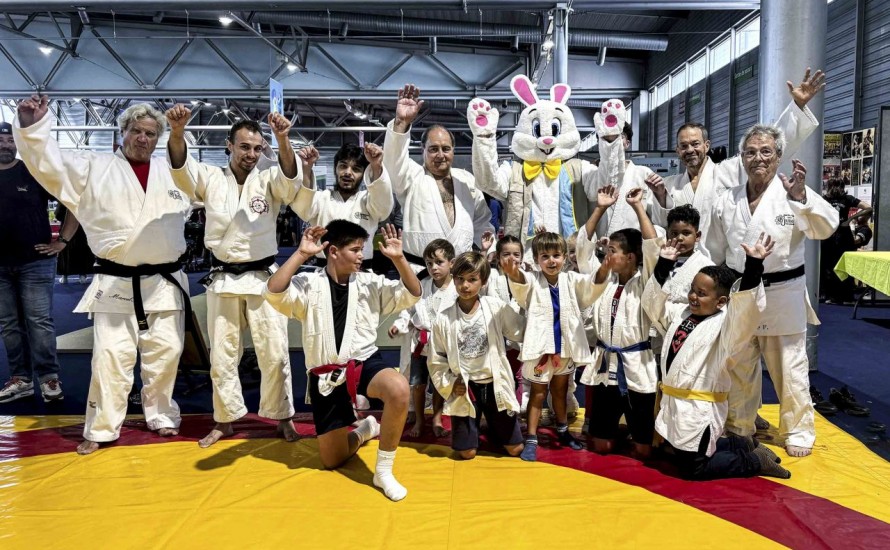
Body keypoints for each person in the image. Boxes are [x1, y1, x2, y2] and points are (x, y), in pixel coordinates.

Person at [14, 97, 192, 455]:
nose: (143, 138)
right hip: (115, 281)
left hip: (165, 282)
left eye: (150, 133)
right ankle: (102, 425)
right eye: (137, 131)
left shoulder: (175, 173)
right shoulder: (93, 167)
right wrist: (32, 126)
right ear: (122, 133)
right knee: (111, 356)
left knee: (167, 352)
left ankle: (161, 414)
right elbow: (47, 164)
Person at [166, 104, 302, 447]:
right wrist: (178, 132)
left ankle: (283, 416)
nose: (251, 154)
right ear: (229, 145)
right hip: (224, 277)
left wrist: (282, 139)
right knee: (224, 353)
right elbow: (181, 171)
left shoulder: (268, 179)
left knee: (274, 350)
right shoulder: (211, 178)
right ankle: (224, 420)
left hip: (263, 279)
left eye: (257, 148)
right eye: (244, 147)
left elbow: (289, 182)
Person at [705, 125, 839, 457]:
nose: (758, 158)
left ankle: (797, 428)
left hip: (783, 292)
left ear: (778, 156)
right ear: (742, 157)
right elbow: (713, 250)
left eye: (766, 152)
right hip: (741, 291)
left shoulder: (792, 193)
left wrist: (802, 199)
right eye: (750, 152)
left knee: (789, 365)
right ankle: (740, 424)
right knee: (739, 362)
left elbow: (827, 225)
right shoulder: (727, 199)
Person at [264, 221, 420, 501]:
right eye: (355, 249)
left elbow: (412, 293)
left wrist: (399, 259)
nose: (362, 255)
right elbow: (274, 292)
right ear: (333, 251)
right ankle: (365, 430)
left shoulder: (370, 282)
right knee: (332, 460)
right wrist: (300, 254)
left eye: (362, 249)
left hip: (362, 362)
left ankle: (383, 471)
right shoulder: (309, 283)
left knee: (397, 389)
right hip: (325, 375)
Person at [642, 234, 790, 480]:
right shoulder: (681, 314)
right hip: (676, 402)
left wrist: (754, 266)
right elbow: (652, 306)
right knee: (672, 452)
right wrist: (664, 264)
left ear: (721, 301)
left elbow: (746, 310)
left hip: (699, 407)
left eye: (701, 294)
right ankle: (740, 445)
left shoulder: (726, 327)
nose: (692, 297)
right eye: (692, 290)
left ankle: (752, 460)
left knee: (693, 469)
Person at [655, 69, 826, 247]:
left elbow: (769, 144)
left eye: (695, 144)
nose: (690, 150)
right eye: (684, 146)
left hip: (720, 260)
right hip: (680, 256)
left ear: (706, 146)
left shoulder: (729, 169)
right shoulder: (669, 184)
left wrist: (797, 106)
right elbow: (660, 224)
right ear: (677, 151)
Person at [502, 231, 606, 461]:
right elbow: (520, 285)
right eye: (545, 256)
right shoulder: (532, 280)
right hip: (541, 350)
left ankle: (562, 430)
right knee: (538, 394)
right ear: (537, 259)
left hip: (565, 349)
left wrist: (606, 267)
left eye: (556, 255)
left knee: (560, 392)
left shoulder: (571, 280)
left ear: (565, 258)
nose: (551, 261)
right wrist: (513, 274)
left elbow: (592, 286)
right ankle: (531, 437)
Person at [576, 186, 660, 459]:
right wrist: (599, 208)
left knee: (644, 450)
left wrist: (638, 207)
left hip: (637, 367)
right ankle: (614, 430)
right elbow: (582, 251)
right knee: (602, 447)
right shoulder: (603, 280)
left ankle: (636, 431)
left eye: (613, 251)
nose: (606, 256)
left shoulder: (645, 283)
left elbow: (652, 249)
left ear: (631, 258)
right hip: (605, 366)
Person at [429, 251, 526, 460]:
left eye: (472, 279)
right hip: (465, 388)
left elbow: (520, 330)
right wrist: (450, 382)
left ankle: (491, 425)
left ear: (483, 281)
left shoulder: (496, 308)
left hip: (494, 384)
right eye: (460, 279)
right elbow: (436, 358)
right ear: (453, 279)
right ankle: (478, 427)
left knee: (516, 449)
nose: (465, 286)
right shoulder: (443, 319)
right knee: (466, 453)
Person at [384, 84, 493, 266]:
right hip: (419, 268)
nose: (440, 155)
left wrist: (491, 249)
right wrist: (401, 122)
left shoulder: (466, 180)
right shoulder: (412, 176)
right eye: (433, 149)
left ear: (453, 151)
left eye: (446, 149)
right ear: (423, 150)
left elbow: (482, 219)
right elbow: (393, 162)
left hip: (461, 271)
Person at [0, 121, 65, 403]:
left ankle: (49, 378)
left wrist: (63, 241)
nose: (5, 145)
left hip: (35, 262)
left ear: (17, 144)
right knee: (10, 325)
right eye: (1, 140)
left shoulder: (33, 172)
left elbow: (70, 199)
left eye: (9, 141)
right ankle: (22, 379)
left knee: (39, 322)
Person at [389, 239, 457, 438]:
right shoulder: (420, 286)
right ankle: (419, 419)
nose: (433, 267)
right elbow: (408, 311)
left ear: (451, 263)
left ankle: (436, 419)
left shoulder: (457, 287)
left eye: (439, 262)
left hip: (443, 345)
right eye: (429, 263)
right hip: (420, 343)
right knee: (417, 385)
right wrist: (398, 326)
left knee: (438, 384)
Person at [291, 143, 393, 271]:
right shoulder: (322, 198)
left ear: (364, 174)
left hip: (361, 273)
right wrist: (306, 169)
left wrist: (376, 166)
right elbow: (304, 209)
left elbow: (383, 208)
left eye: (356, 169)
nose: (348, 173)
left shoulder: (368, 201)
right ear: (335, 169)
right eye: (343, 166)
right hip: (325, 273)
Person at [820, 178, 872, 303]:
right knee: (839, 265)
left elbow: (868, 208)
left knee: (835, 265)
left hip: (835, 233)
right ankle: (840, 296)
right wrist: (849, 219)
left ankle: (836, 296)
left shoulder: (829, 199)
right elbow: (868, 208)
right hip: (837, 232)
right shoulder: (842, 199)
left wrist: (850, 219)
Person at [54, 203, 94, 285]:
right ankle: (82, 275)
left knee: (65, 254)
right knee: (82, 252)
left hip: (67, 232)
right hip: (82, 231)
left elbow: (58, 215)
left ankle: (64, 276)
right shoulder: (84, 199)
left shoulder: (64, 199)